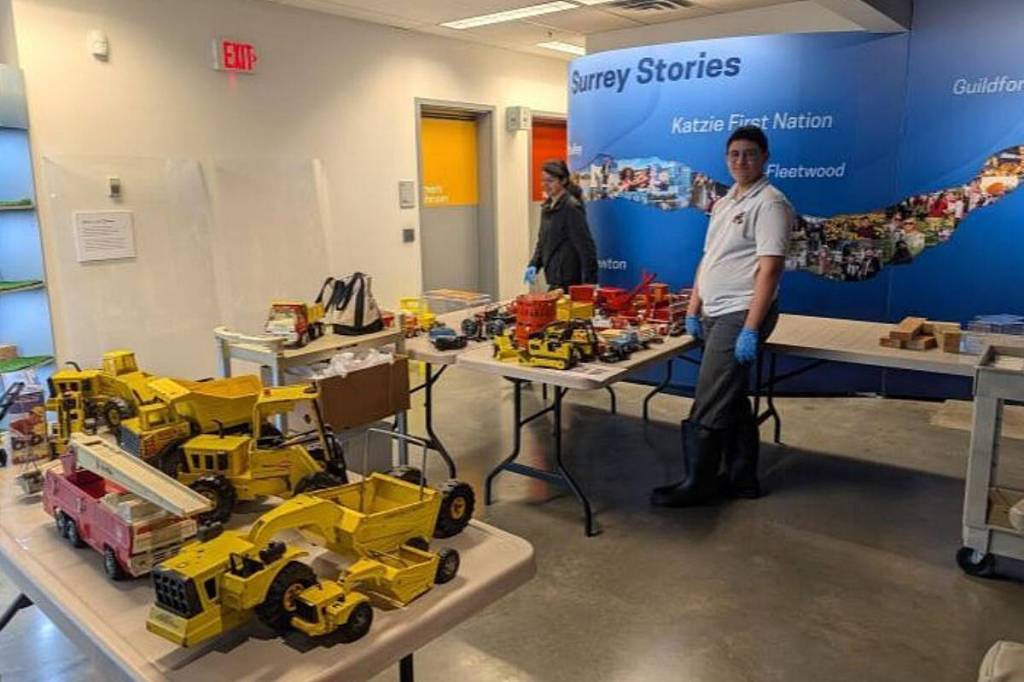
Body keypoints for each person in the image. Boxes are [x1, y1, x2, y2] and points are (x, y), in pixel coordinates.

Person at [652, 126, 795, 507]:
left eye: (749, 153)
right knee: (729, 395)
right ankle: (742, 478)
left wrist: (750, 327)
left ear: (765, 157)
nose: (740, 161)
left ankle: (697, 482)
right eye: (734, 154)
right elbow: (709, 258)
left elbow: (770, 269)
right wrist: (694, 308)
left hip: (740, 312)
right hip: (715, 311)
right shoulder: (726, 201)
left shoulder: (771, 203)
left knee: (710, 395)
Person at [524, 160, 598, 291]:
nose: (545, 185)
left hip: (570, 281)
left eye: (550, 181)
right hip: (554, 278)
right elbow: (542, 242)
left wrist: (590, 281)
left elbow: (585, 246)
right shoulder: (547, 206)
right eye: (543, 180)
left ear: (563, 181)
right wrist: (534, 264)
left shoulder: (571, 207)